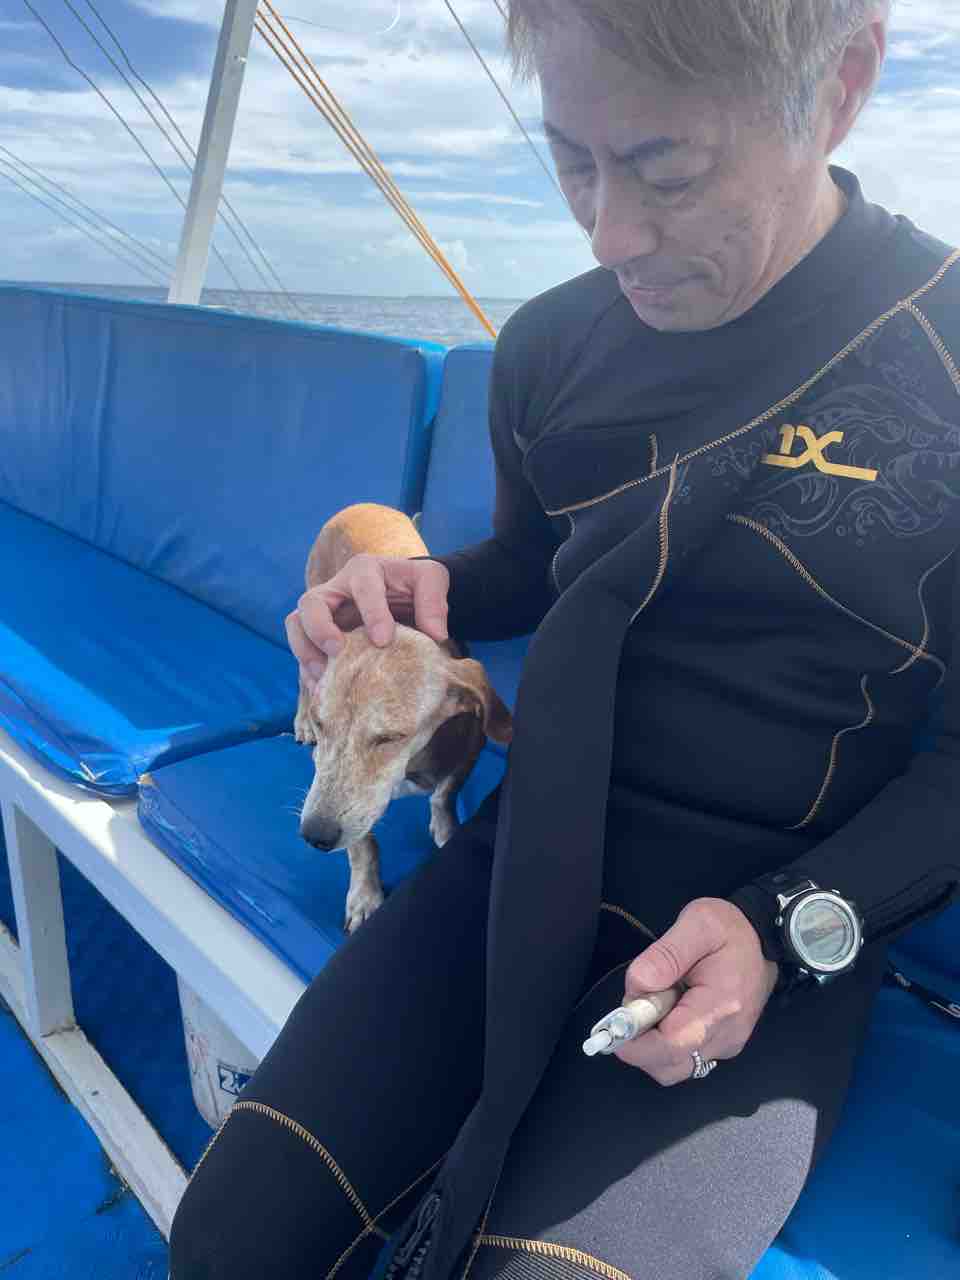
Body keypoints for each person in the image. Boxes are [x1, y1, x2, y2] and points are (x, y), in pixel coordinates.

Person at [169, 2, 960, 1277]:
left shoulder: (946, 352)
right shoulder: (549, 347)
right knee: (228, 1243)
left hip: (776, 908)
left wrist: (790, 925)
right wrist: (411, 586)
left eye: (665, 169)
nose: (609, 233)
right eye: (572, 162)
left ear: (843, 85)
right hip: (531, 844)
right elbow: (541, 563)